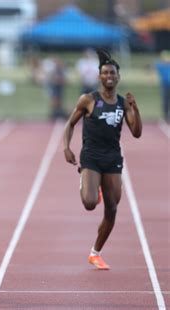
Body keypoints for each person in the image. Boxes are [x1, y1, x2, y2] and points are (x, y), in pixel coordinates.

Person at [63, 49, 142, 270]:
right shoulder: (88, 100)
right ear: (99, 76)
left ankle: (95, 253)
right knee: (89, 203)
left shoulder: (122, 103)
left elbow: (136, 133)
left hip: (113, 158)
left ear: (118, 77)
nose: (109, 76)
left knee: (112, 209)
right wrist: (66, 148)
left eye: (112, 73)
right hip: (91, 156)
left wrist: (136, 108)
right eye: (105, 72)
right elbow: (70, 124)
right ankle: (88, 182)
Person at [155, 50, 170, 122]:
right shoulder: (160, 65)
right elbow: (154, 64)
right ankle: (165, 116)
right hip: (165, 85)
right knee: (165, 101)